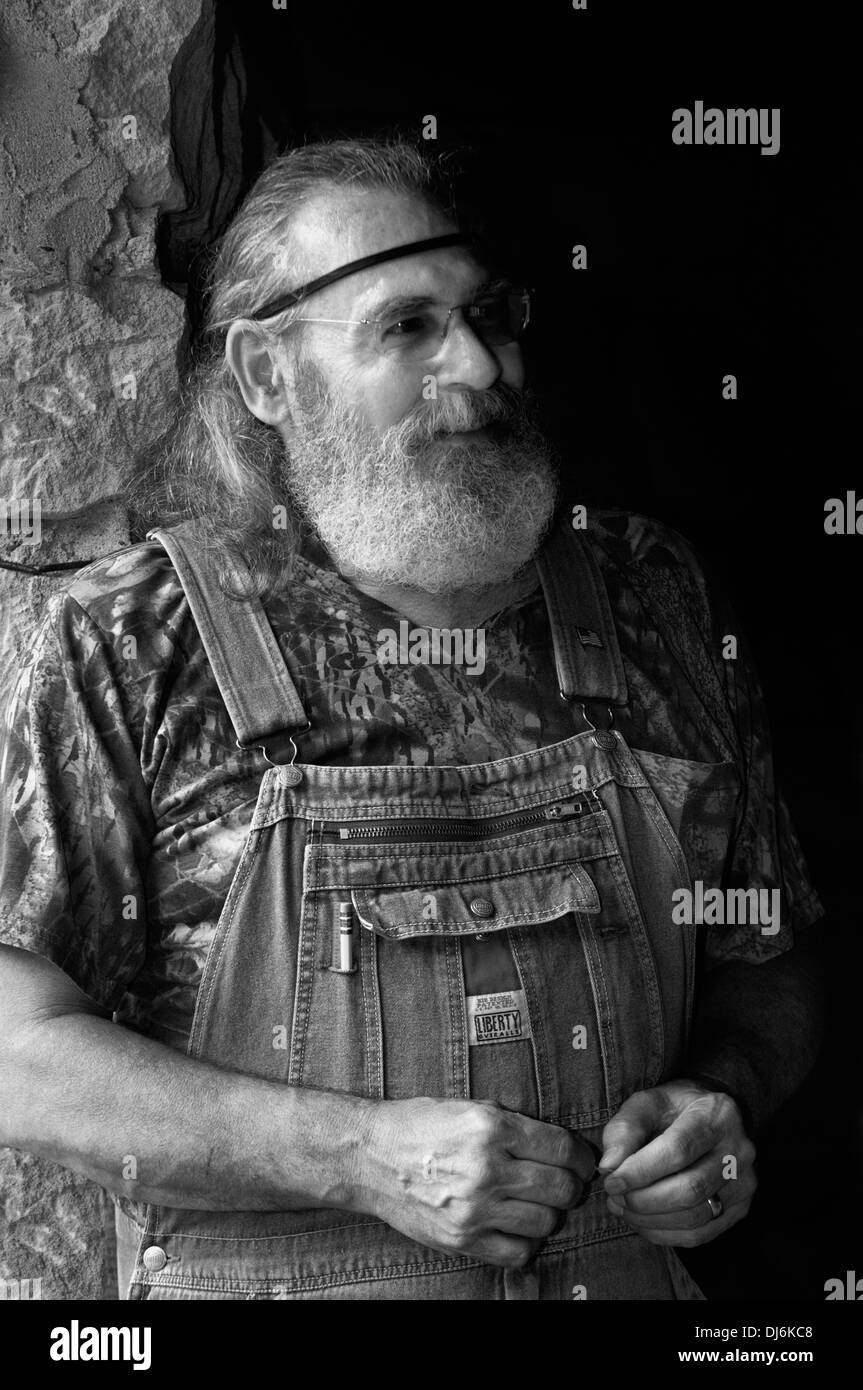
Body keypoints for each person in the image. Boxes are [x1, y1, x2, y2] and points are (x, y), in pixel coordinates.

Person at [0, 139, 823, 1301]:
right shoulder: (138, 639)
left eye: (488, 314)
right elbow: (15, 1056)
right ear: (265, 377)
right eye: (405, 328)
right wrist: (358, 1159)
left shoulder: (651, 595)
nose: (479, 366)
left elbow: (768, 959)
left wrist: (719, 1096)